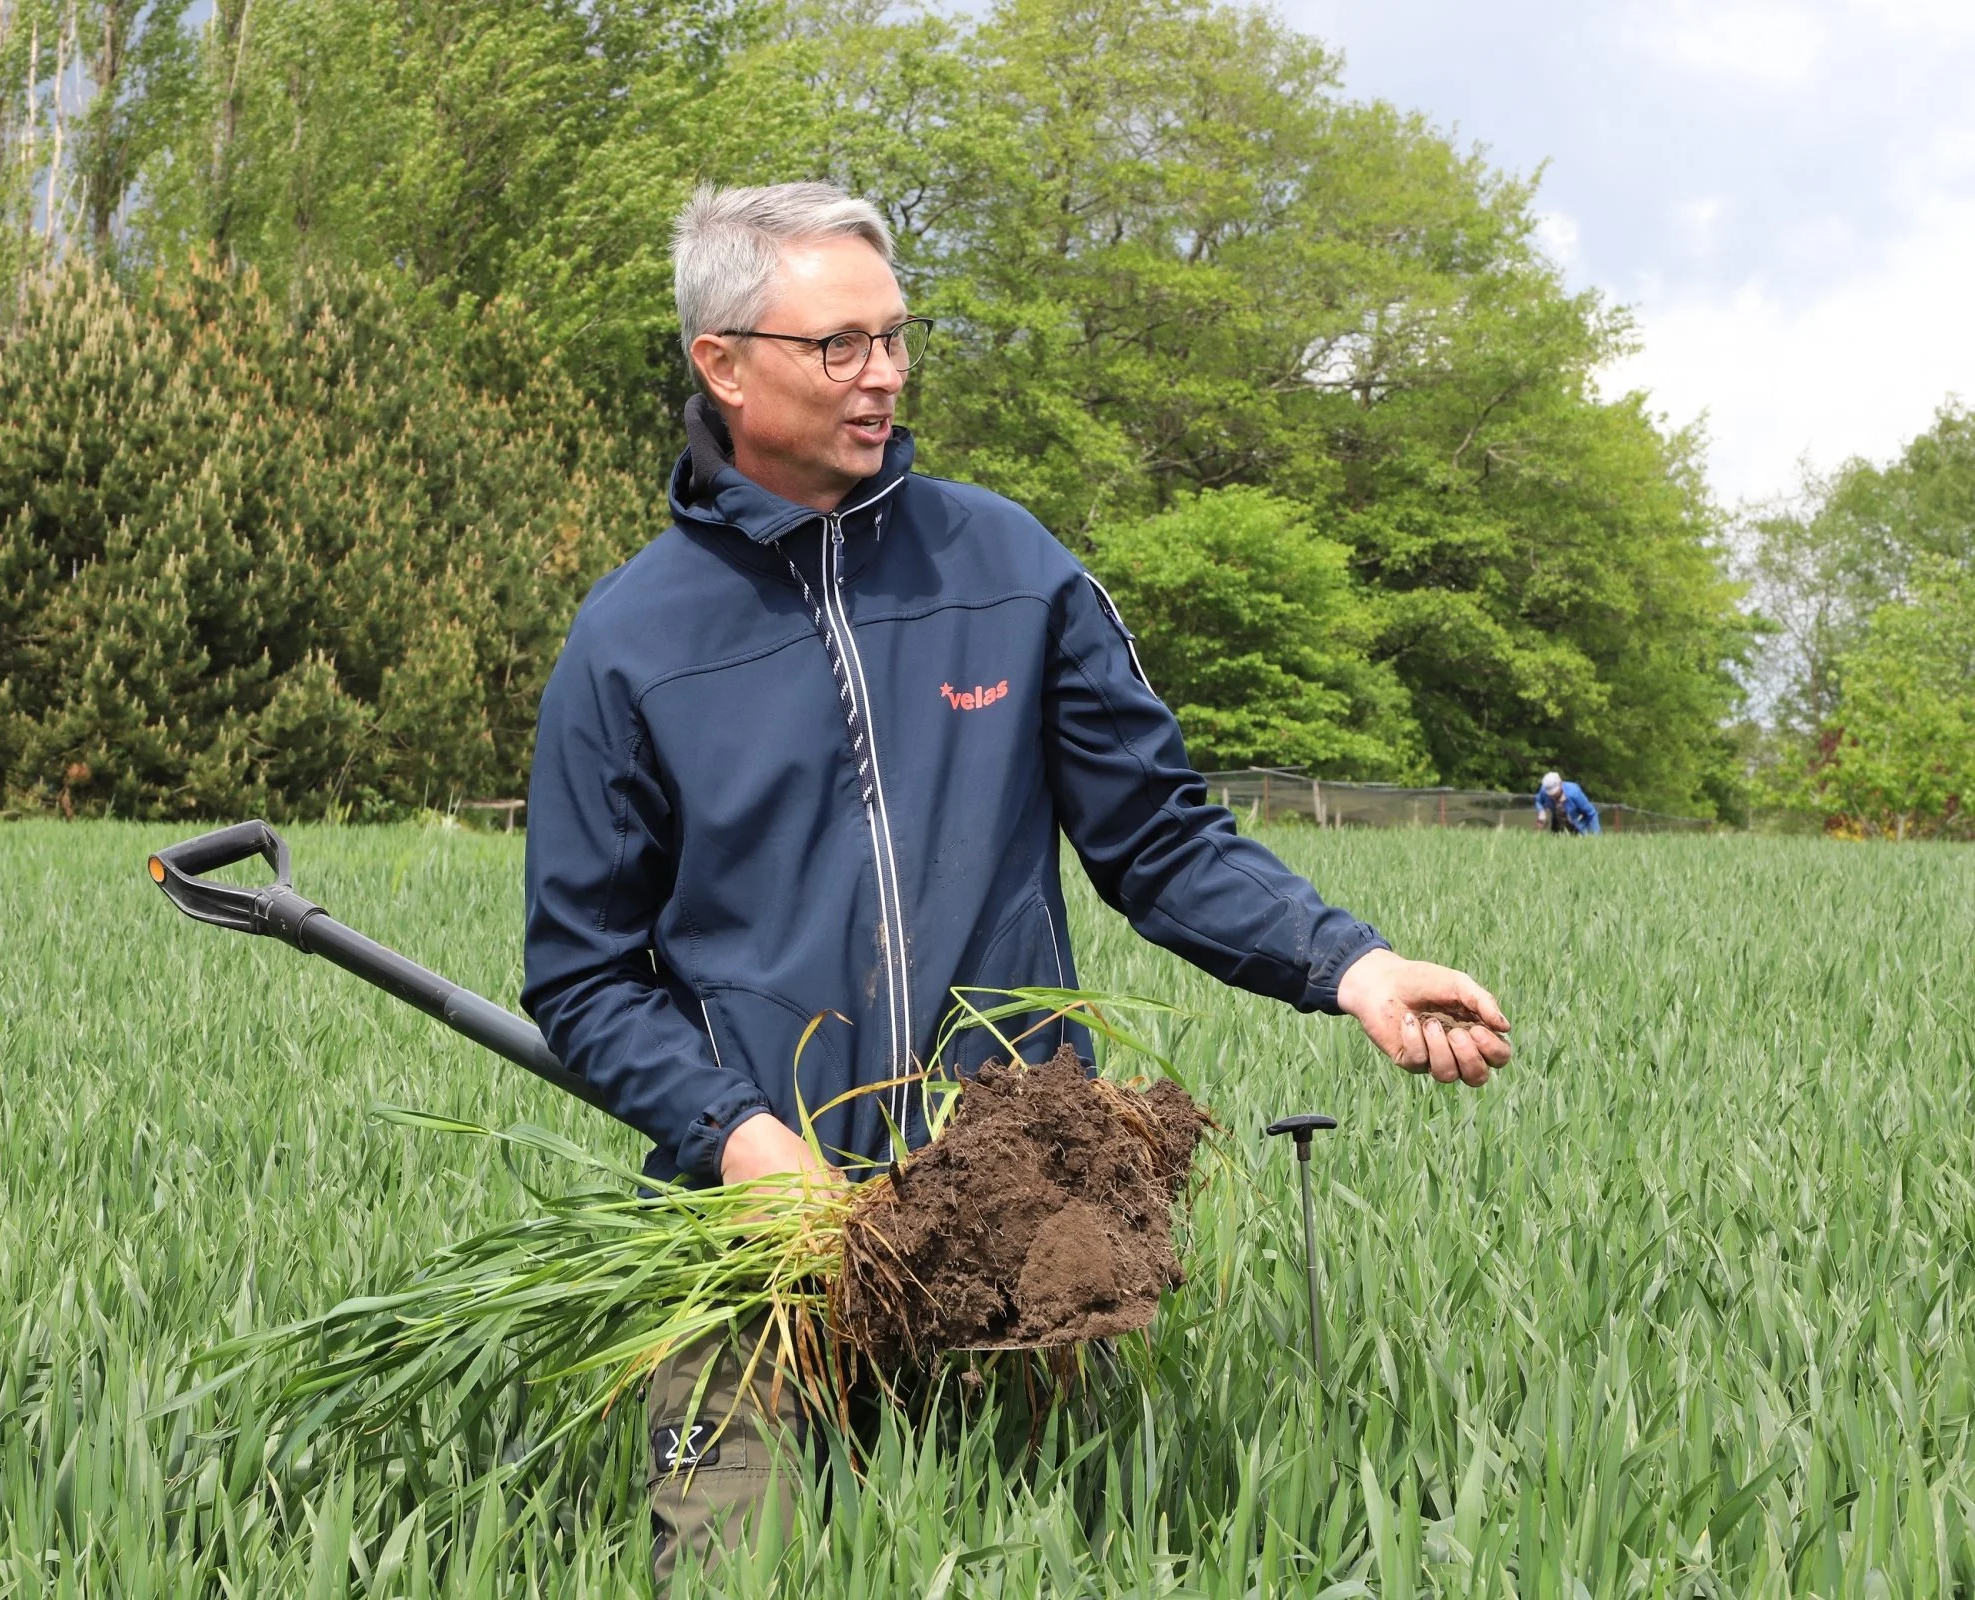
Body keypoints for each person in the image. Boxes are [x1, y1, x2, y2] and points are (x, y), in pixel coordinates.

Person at [521, 181, 1513, 1584]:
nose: (885, 377)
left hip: (1020, 1216)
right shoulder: (628, 647)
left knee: (1030, 1558)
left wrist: (1351, 966)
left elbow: (1159, 838)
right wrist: (742, 1139)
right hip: (752, 1242)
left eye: (897, 337)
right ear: (723, 364)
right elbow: (583, 974)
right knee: (737, 1565)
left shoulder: (1008, 569)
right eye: (840, 346)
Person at [1535, 771, 1601, 835]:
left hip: (1577, 822)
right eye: (1550, 794)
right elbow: (1538, 801)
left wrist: (1596, 834)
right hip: (1557, 821)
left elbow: (1591, 813)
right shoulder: (1544, 790)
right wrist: (1541, 811)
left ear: (1560, 783)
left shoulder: (1574, 792)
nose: (1552, 795)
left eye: (1555, 792)